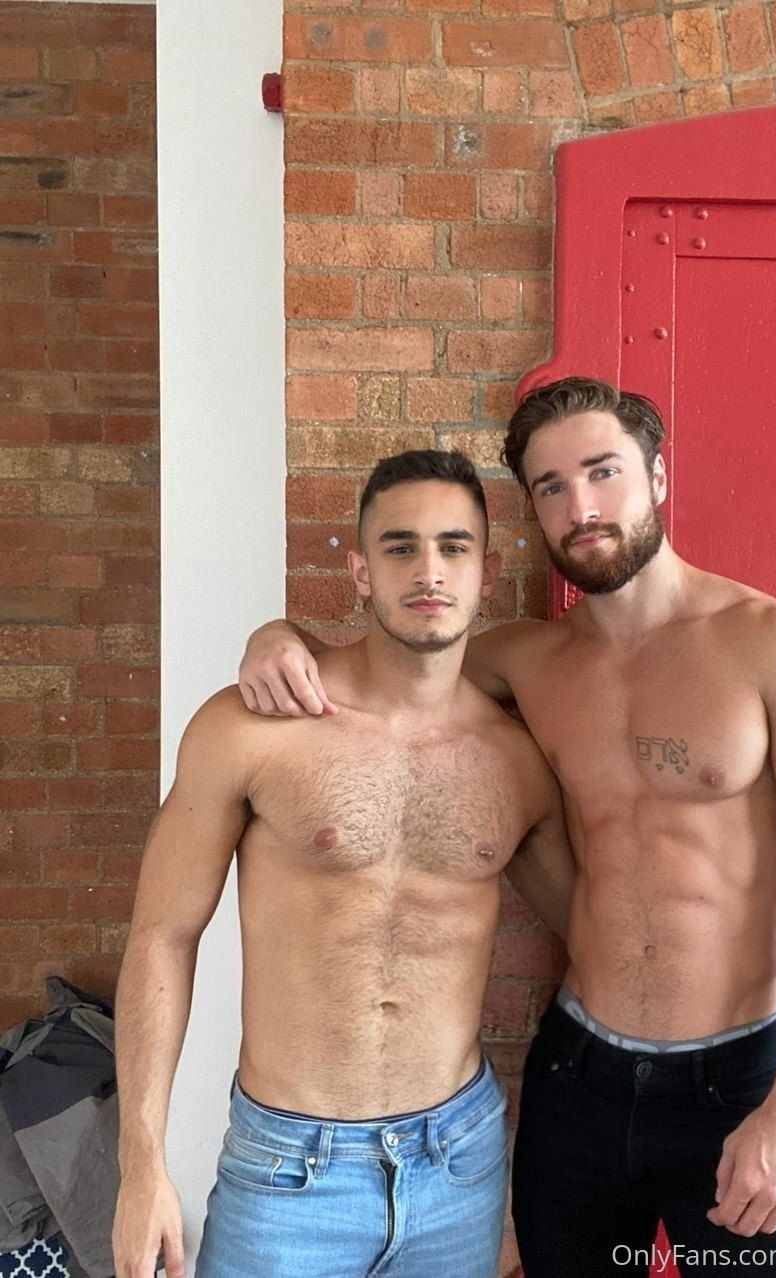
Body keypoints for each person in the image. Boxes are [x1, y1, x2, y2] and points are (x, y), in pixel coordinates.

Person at [240, 376, 776, 1278]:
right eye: (551, 486)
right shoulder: (526, 661)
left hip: (736, 1083)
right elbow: (383, 670)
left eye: (602, 471)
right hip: (578, 1081)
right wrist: (278, 638)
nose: (580, 507)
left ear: (657, 476)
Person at [111, 451, 583, 1278]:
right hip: (287, 1171)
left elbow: (599, 932)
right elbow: (162, 936)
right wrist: (140, 1162)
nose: (429, 571)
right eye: (400, 547)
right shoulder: (253, 728)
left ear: (485, 571)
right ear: (360, 571)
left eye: (454, 547)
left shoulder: (517, 764)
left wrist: (753, 932)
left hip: (457, 1161)